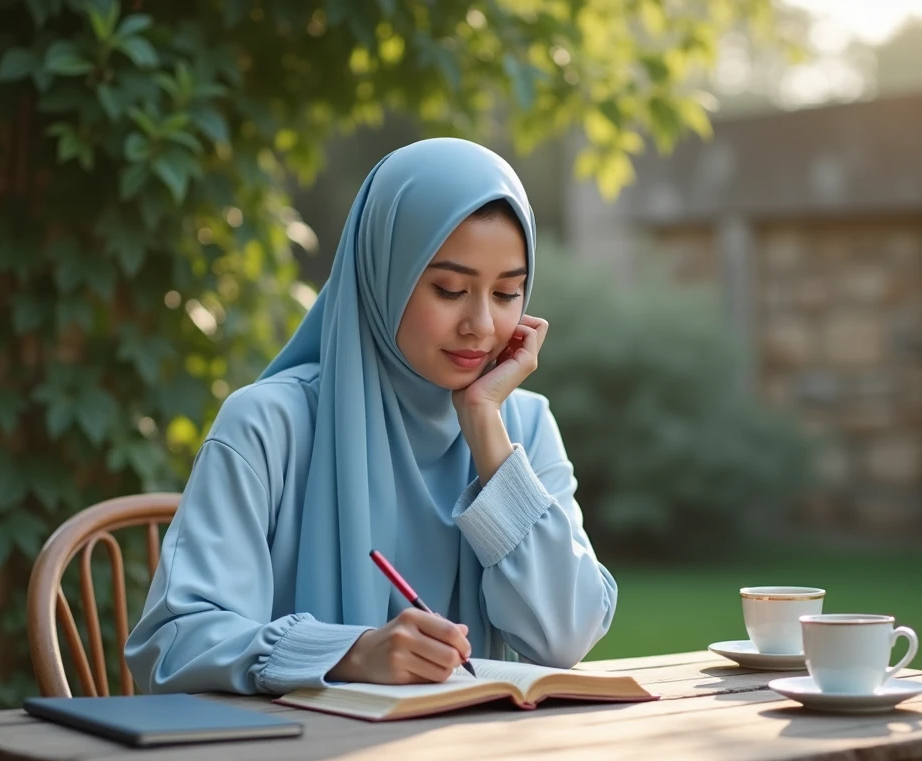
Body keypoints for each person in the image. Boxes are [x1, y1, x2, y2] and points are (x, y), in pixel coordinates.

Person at [124, 137, 617, 695]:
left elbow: (566, 634)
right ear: (384, 274)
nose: (481, 325)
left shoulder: (520, 425)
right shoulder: (267, 425)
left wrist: (484, 424)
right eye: (450, 289)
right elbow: (175, 642)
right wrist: (350, 653)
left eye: (507, 294)